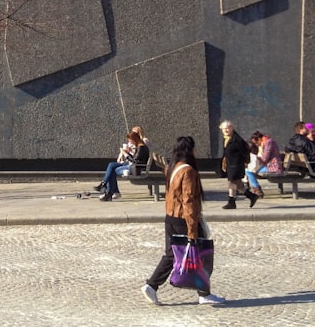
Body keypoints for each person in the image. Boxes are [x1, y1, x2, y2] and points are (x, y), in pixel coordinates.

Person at [141, 135, 225, 306]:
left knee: (172, 254)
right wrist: (192, 228)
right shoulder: (188, 171)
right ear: (190, 150)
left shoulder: (174, 167)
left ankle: (152, 285)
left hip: (170, 217)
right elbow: (188, 200)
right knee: (199, 253)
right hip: (183, 219)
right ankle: (204, 293)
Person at [95, 131, 149, 201]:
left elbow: (134, 161)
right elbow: (135, 158)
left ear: (134, 139)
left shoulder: (141, 148)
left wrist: (125, 154)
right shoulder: (140, 147)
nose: (130, 142)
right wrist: (128, 152)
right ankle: (104, 185)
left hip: (135, 168)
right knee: (111, 165)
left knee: (112, 171)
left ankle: (108, 192)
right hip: (133, 165)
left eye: (130, 140)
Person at [220, 121, 257, 209]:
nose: (226, 130)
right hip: (230, 164)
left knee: (232, 182)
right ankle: (252, 196)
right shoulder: (226, 139)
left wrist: (246, 162)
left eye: (228, 128)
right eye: (224, 129)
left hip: (236, 164)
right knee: (238, 184)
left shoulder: (237, 140)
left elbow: (245, 151)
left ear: (232, 128)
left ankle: (231, 202)